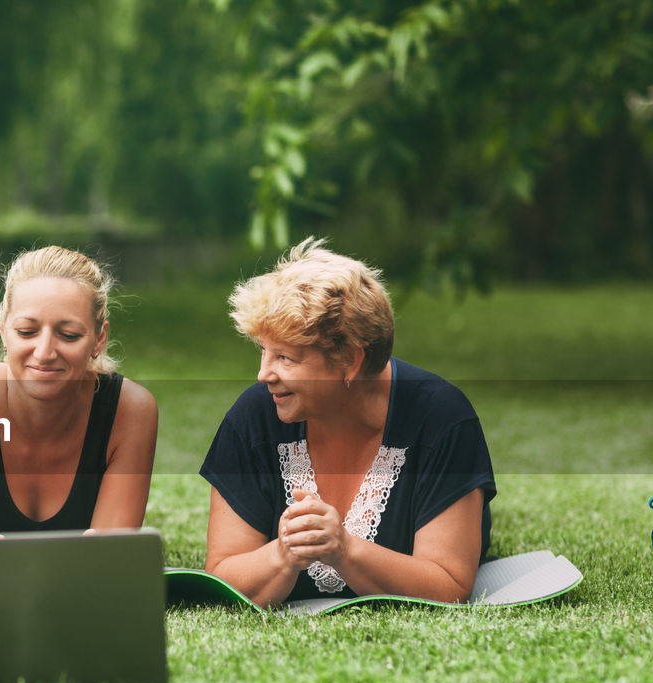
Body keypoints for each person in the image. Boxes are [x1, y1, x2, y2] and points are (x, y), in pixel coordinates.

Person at [199, 238, 495, 606]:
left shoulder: (442, 419)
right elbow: (223, 575)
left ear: (351, 360)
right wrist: (284, 554)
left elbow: (448, 586)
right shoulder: (253, 417)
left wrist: (344, 549)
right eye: (263, 351)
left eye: (286, 358)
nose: (264, 374)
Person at [0, 246, 158, 535]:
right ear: (3, 329)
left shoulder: (130, 411)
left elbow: (107, 567)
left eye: (69, 335)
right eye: (27, 331)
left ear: (99, 338)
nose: (44, 353)